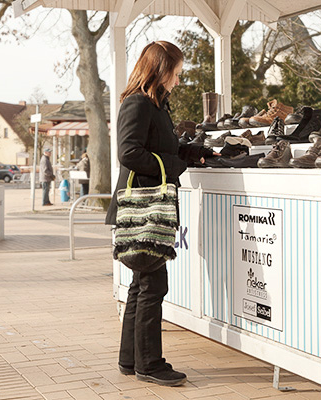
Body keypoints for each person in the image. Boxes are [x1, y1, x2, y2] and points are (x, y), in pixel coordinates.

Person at [105, 41, 215, 387]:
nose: (179, 80)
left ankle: (130, 359)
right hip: (142, 208)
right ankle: (149, 363)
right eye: (177, 73)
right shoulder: (137, 102)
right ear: (160, 69)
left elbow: (156, 145)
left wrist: (191, 151)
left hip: (142, 208)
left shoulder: (154, 104)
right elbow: (129, 153)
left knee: (141, 284)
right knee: (153, 284)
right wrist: (176, 164)